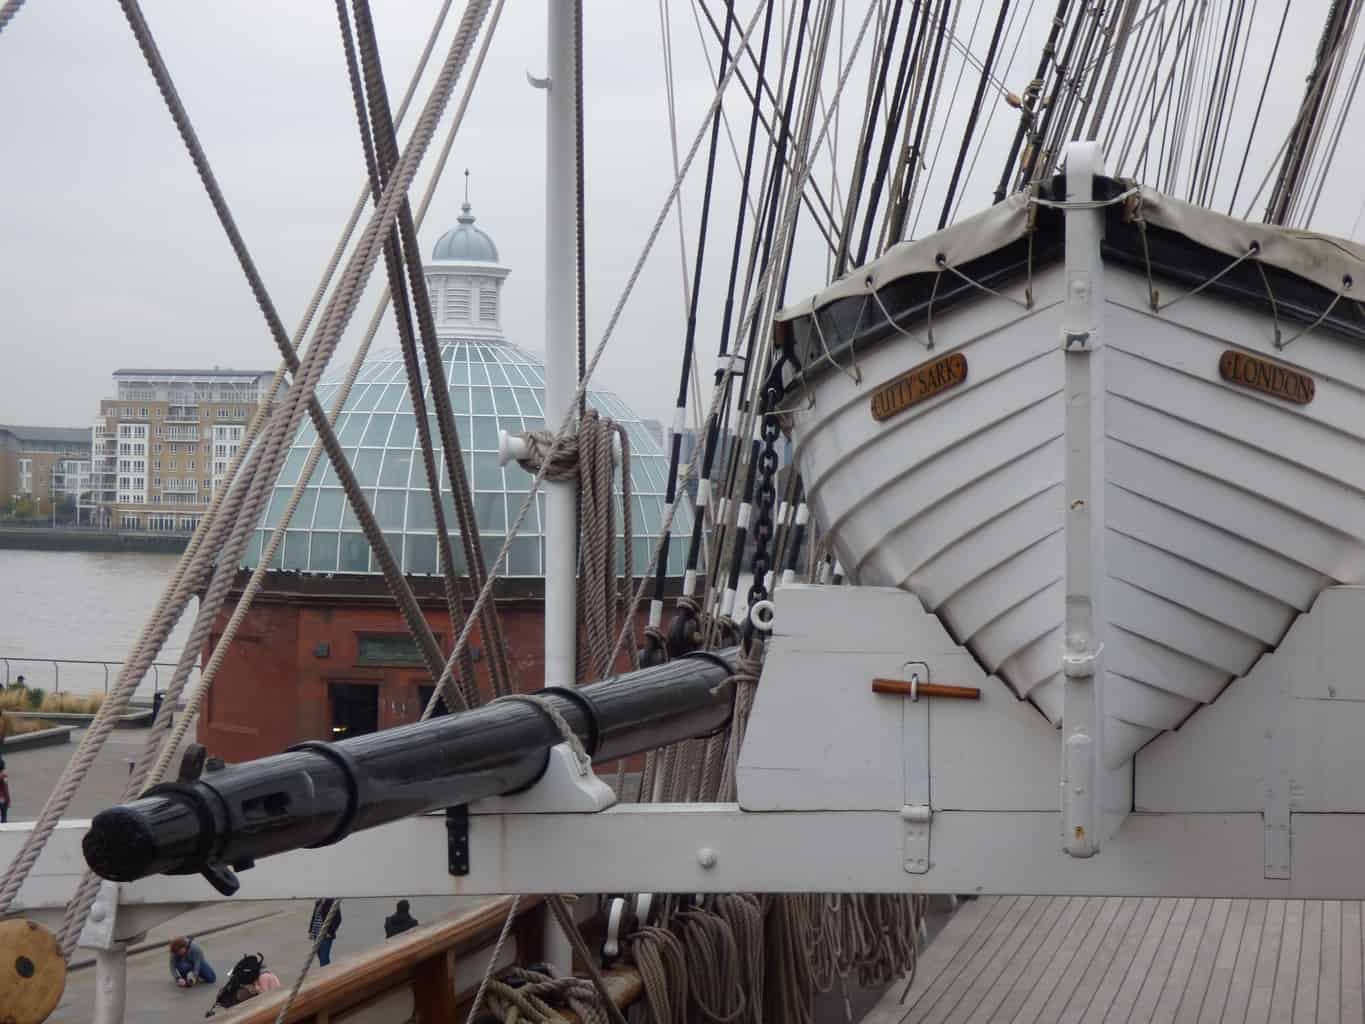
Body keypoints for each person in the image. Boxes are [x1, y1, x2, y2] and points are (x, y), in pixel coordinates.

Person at [205, 953, 280, 1016]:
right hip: (267, 995)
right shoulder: (257, 977)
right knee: (240, 993)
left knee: (241, 994)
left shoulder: (264, 977)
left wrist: (255, 988)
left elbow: (265, 995)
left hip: (275, 999)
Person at [309, 898, 341, 966]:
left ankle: (328, 975)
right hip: (316, 934)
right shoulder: (318, 902)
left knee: (324, 959)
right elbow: (315, 917)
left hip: (325, 935)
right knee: (321, 958)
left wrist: (330, 932)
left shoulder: (332, 902)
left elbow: (338, 919)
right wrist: (311, 931)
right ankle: (327, 972)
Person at [0, 756, 10, 824]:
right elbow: (6, 789)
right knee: (4, 817)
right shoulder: (4, 776)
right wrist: (8, 800)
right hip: (2, 798)